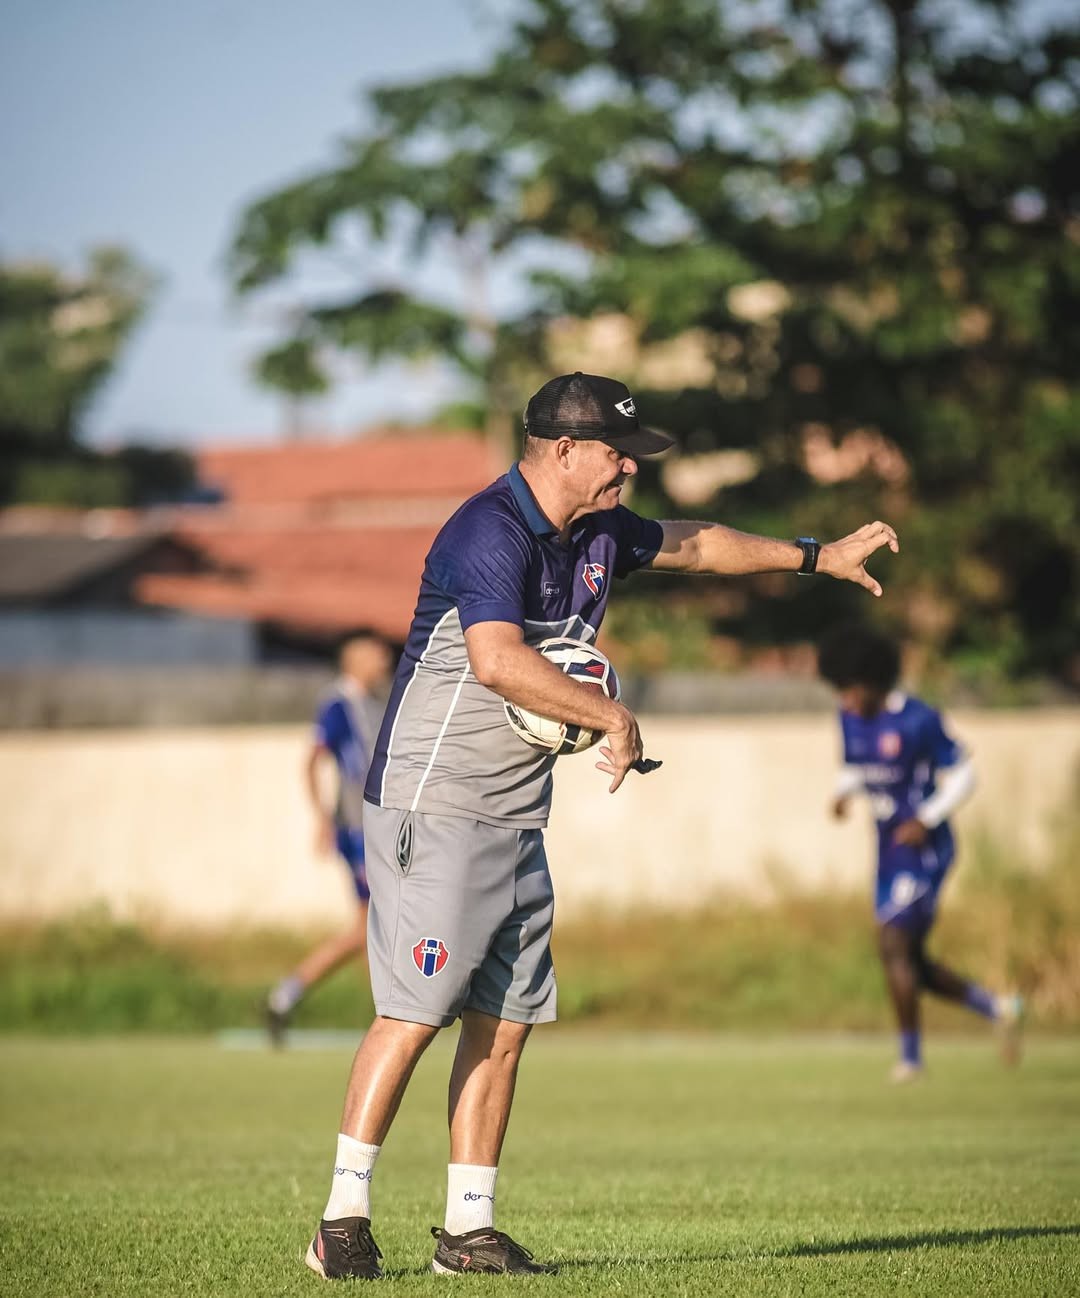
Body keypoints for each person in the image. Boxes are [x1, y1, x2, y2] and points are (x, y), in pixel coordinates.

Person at [304, 371, 900, 1281]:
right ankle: (340, 1222)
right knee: (415, 1012)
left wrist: (815, 556)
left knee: (503, 1021)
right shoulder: (487, 530)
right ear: (564, 449)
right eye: (619, 453)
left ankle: (468, 1231)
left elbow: (698, 548)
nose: (629, 467)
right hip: (436, 803)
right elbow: (498, 662)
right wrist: (612, 716)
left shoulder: (598, 532)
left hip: (512, 812)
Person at [817, 622, 1023, 1083]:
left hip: (927, 848)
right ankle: (1000, 1009)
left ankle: (910, 1060)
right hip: (888, 850)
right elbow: (855, 765)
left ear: (872, 680)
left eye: (850, 690)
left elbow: (965, 774)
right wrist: (842, 794)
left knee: (892, 945)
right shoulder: (849, 717)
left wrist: (926, 817)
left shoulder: (917, 719)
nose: (845, 701)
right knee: (908, 959)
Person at [266, 630, 393, 1046]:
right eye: (376, 655)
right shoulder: (338, 704)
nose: (384, 662)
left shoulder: (375, 702)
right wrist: (321, 817)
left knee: (374, 926)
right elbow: (312, 761)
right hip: (357, 831)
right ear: (354, 660)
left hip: (381, 829)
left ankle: (291, 996)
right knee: (373, 924)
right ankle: (291, 994)